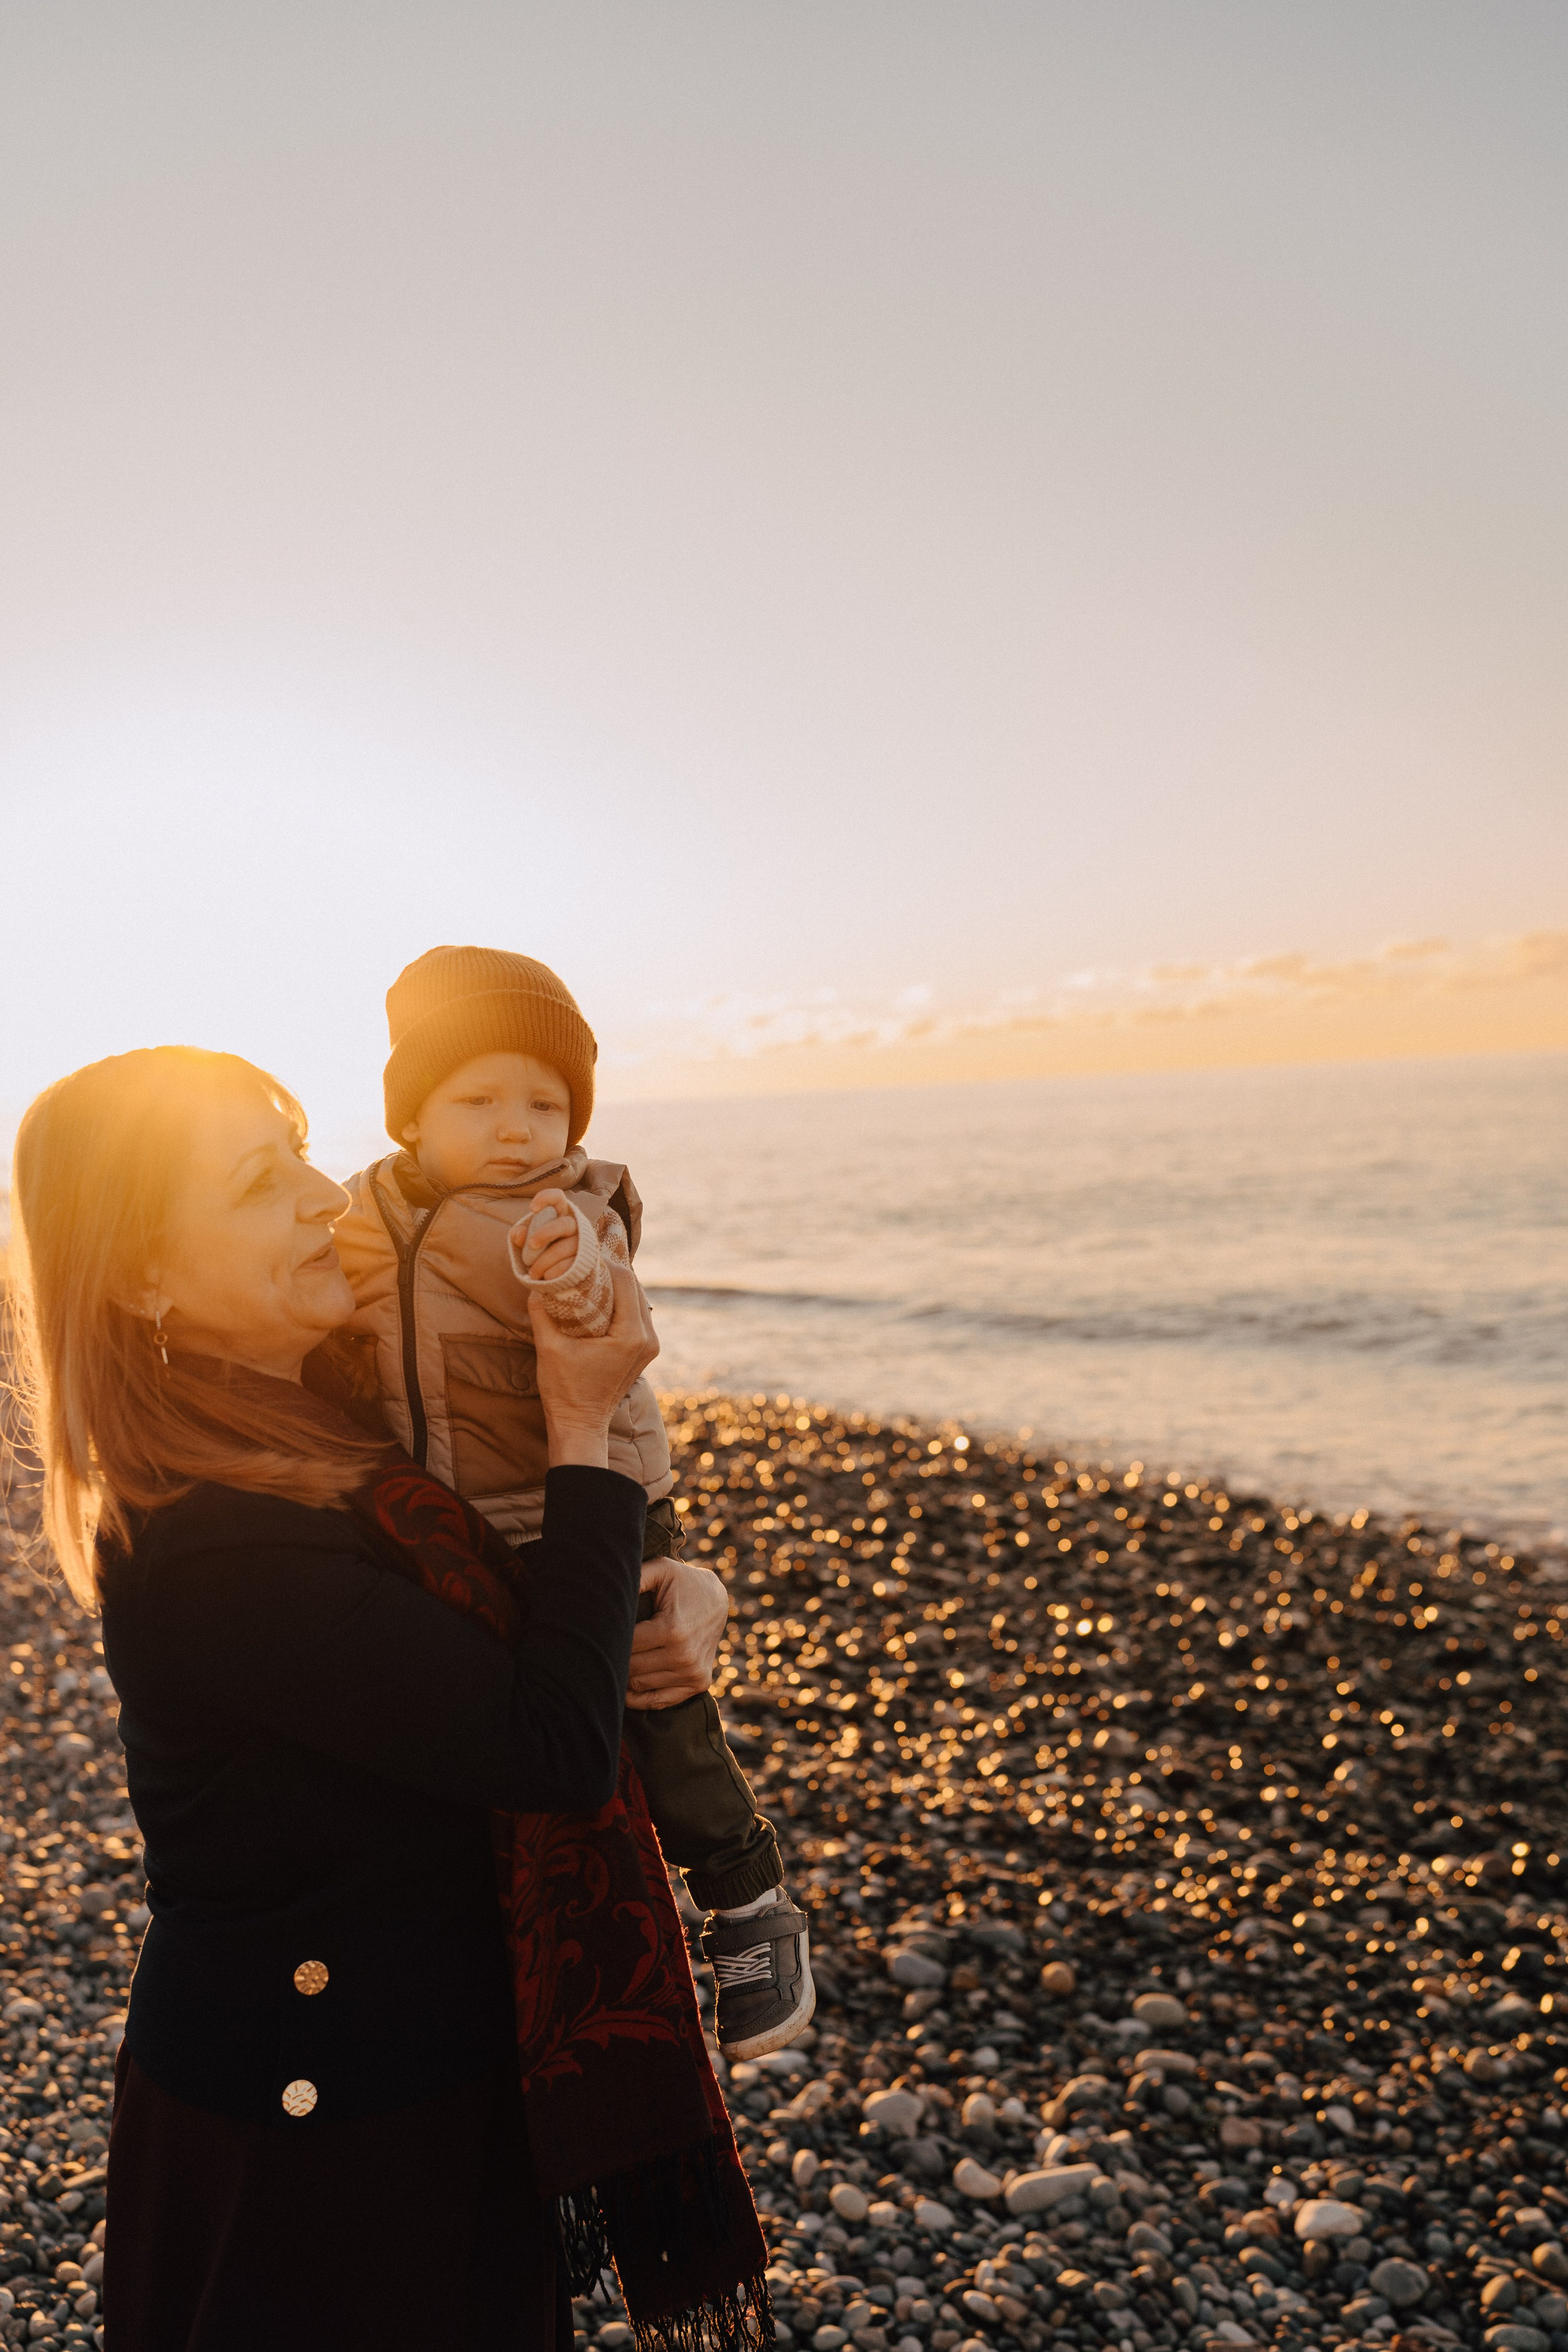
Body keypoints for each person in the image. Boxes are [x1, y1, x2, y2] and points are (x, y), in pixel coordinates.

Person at [7, 1044, 763, 2352]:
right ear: (142, 1276)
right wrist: (582, 1426)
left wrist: (680, 1581)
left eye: (304, 1155)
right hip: (314, 2130)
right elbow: (546, 1743)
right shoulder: (213, 1537)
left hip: (433, 2066)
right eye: (260, 1184)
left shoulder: (333, 1413)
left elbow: (524, 1588)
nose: (324, 1197)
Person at [331, 943, 813, 2059]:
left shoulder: (567, 1212)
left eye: (545, 1105)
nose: (516, 1130)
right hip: (461, 1512)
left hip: (593, 1499)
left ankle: (747, 1901)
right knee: (513, 1725)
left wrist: (566, 1268)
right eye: (480, 1101)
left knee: (656, 1707)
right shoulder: (367, 1211)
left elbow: (602, 1294)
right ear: (412, 1115)